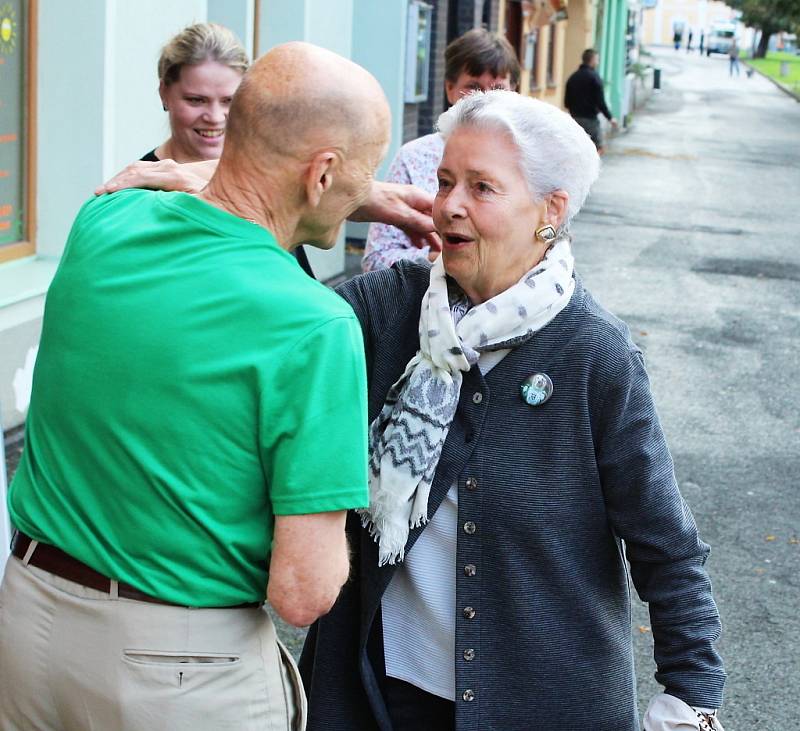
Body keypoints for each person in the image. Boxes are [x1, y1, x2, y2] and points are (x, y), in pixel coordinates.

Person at [299, 90, 727, 730]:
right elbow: (270, 308)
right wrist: (176, 175)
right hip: (385, 694)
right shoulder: (392, 309)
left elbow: (665, 542)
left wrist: (692, 697)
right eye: (444, 182)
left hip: (544, 703)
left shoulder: (592, 353)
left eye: (481, 187)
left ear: (549, 213)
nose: (450, 206)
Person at [0, 42, 394, 731]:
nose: (369, 195)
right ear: (323, 171)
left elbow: (228, 178)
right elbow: (302, 592)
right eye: (367, 174)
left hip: (28, 625)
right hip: (178, 670)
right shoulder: (314, 323)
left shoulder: (106, 219)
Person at [362, 28, 520, 272]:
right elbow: (376, 260)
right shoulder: (414, 158)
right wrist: (443, 260)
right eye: (473, 88)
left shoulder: (526, 161)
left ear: (514, 91)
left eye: (498, 89)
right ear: (449, 88)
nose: (485, 101)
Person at [564, 48, 619, 155]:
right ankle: (590, 170)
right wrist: (610, 118)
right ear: (592, 60)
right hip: (590, 121)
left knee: (577, 149)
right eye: (597, 59)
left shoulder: (573, 77)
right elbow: (601, 102)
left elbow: (566, 102)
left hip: (574, 120)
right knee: (598, 148)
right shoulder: (595, 78)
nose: (598, 62)